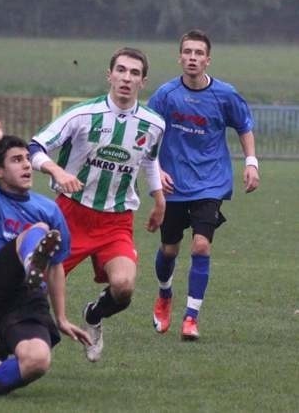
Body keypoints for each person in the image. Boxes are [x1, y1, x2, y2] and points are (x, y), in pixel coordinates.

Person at [28, 47, 166, 362]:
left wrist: (158, 198)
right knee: (33, 289)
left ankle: (93, 315)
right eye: (121, 70)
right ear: (110, 74)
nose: (126, 78)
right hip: (70, 216)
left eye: (134, 73)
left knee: (124, 286)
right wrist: (56, 170)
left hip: (116, 221)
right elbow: (34, 146)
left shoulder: (154, 123)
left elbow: (151, 160)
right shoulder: (81, 115)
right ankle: (12, 352)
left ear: (143, 81)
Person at [0, 115, 90, 395]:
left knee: (37, 360)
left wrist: (62, 318)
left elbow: (55, 267)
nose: (27, 164)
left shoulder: (49, 209)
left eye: (27, 159)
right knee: (38, 231)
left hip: (23, 297)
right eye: (16, 160)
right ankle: (31, 265)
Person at [148, 29, 260, 340]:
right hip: (173, 184)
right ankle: (165, 294)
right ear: (179, 57)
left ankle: (191, 318)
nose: (192, 58)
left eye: (199, 53)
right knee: (169, 249)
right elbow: (147, 136)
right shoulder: (165, 95)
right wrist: (157, 170)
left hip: (211, 182)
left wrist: (251, 162)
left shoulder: (225, 94)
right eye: (188, 52)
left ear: (207, 60)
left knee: (201, 244)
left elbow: (244, 126)